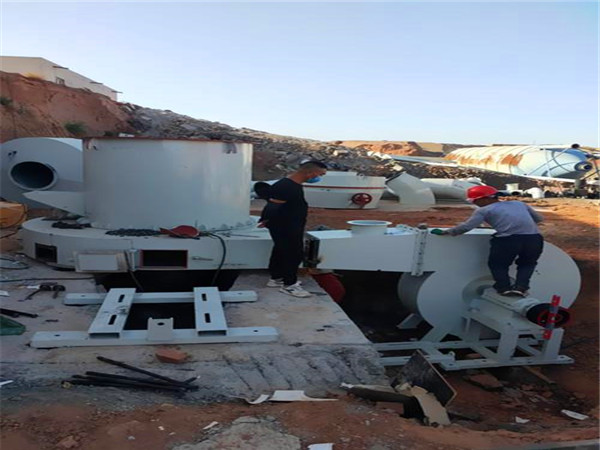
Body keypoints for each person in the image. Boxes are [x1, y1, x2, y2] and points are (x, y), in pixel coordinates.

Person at [440, 185, 544, 297]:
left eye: (475, 201)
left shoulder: (484, 210)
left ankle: (504, 288)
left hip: (508, 240)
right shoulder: (519, 204)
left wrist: (449, 232)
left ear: (484, 199)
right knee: (527, 264)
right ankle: (521, 288)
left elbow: (467, 227)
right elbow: (539, 219)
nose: (475, 204)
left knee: (498, 265)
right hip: (534, 239)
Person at [259, 160, 328, 298]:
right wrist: (265, 219)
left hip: (289, 224)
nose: (320, 177)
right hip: (285, 226)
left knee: (280, 250)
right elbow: (272, 206)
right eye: (320, 174)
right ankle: (289, 285)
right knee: (293, 254)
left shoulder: (293, 185)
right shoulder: (286, 186)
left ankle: (276, 278)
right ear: (310, 173)